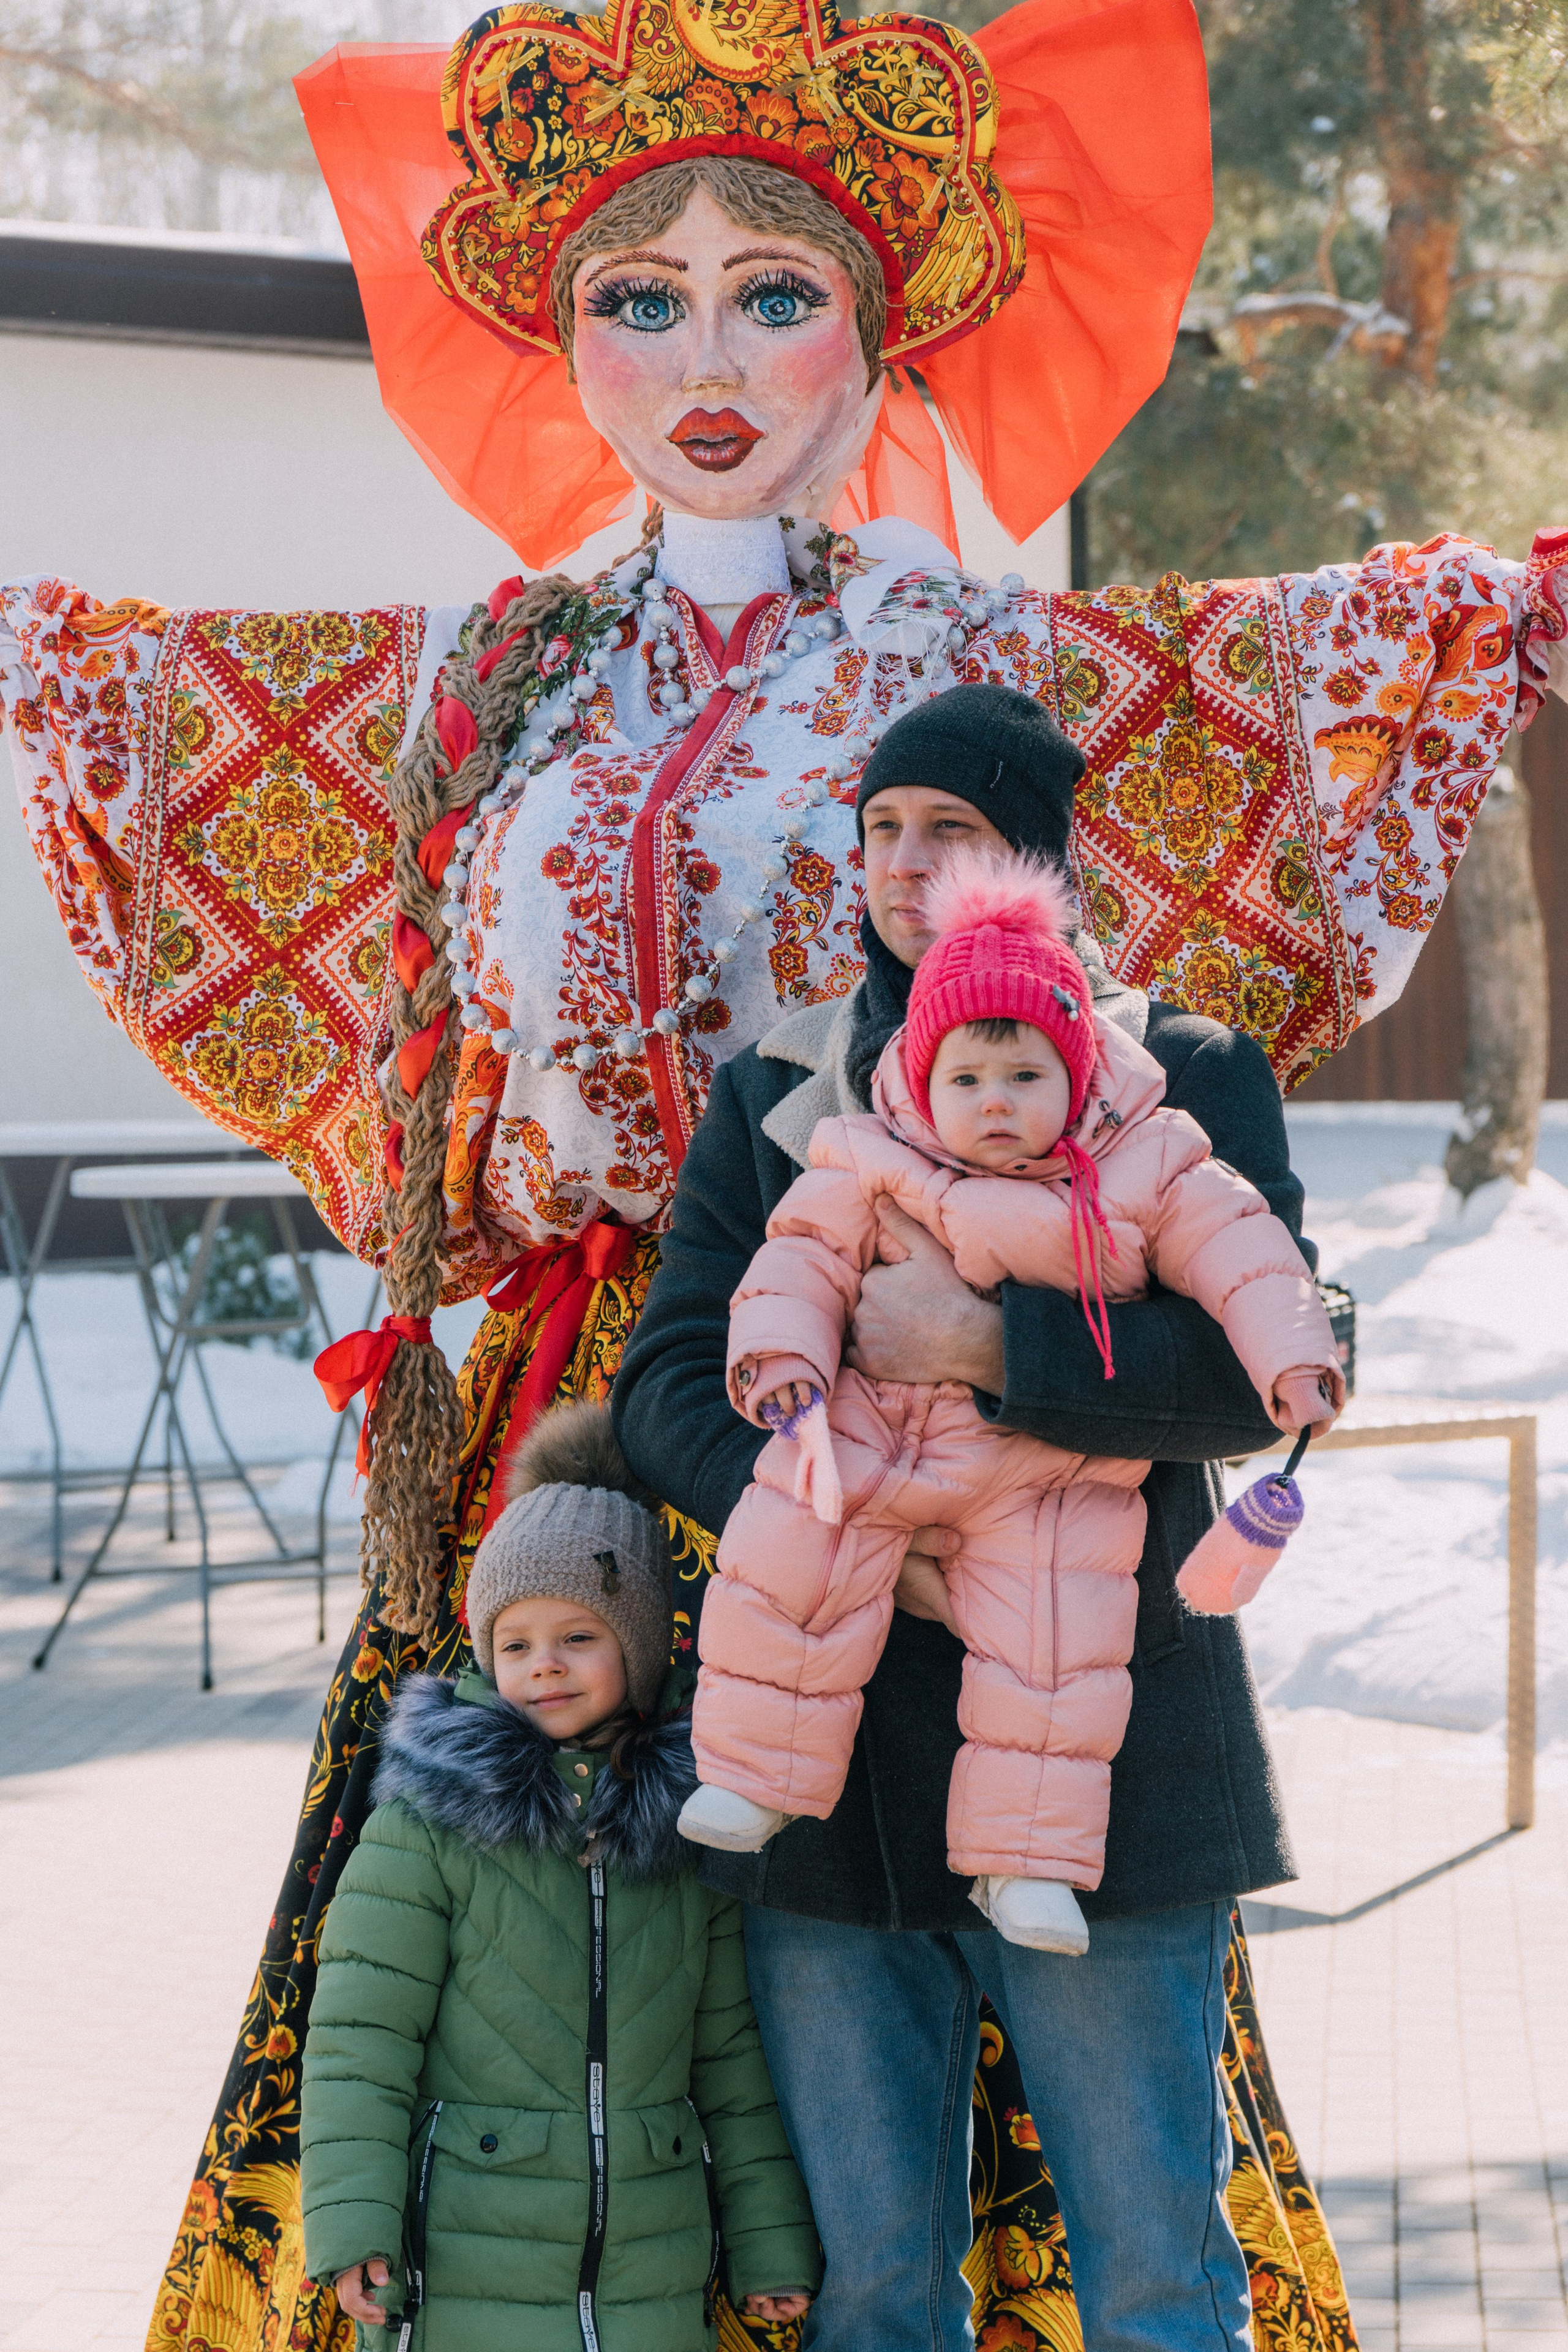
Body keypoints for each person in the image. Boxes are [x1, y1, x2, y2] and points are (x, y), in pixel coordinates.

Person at [3, 0, 1560, 2341]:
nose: (704, 353)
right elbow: (201, 710)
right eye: (638, 296)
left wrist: (1473, 606)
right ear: (559, 340)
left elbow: (1255, 702)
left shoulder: (970, 667)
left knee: (954, 1947)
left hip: (938, 1435)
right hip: (582, 1418)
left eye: (773, 290)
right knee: (527, 1970)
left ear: (881, 329)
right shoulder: (491, 681)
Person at [611, 687, 1336, 2348]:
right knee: (871, 2287)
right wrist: (848, 1513)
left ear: (1038, 863)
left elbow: (1267, 1369)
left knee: (1155, 2272)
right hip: (834, 1753)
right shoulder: (786, 1090)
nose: (903, 864)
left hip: (1105, 1737)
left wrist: (994, 1354)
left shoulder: (1187, 1076)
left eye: (952, 831)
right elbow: (668, 1383)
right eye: (881, 829)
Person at [678, 805, 1344, 1961]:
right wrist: (783, 1363)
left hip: (1046, 1473)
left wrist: (1292, 1353)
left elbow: (1246, 1255)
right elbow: (796, 1264)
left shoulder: (1153, 1145)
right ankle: (756, 1775)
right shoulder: (859, 1146)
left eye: (1025, 1075)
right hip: (875, 1443)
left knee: (1055, 1644)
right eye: (968, 1076)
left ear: (1075, 1073)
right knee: (793, 1553)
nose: (995, 1102)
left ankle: (1027, 1861)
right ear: (922, 1082)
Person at [301, 1398, 819, 2349]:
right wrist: (352, 2224)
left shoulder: (688, 1827)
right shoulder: (428, 1823)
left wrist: (768, 2233)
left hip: (645, 2278)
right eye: (515, 1644)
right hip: (464, 2262)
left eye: (578, 1638)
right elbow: (358, 2038)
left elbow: (732, 2058)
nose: (544, 1667)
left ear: (641, 1646)